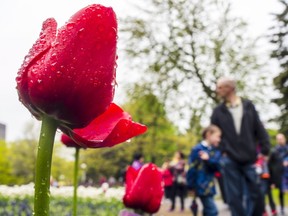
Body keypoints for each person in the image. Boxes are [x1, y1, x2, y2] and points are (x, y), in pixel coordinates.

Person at [211, 77, 270, 216]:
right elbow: (214, 134)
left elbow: (259, 128)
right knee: (234, 197)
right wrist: (221, 151)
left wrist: (265, 149)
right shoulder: (218, 111)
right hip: (229, 158)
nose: (217, 90)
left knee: (256, 193)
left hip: (250, 157)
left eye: (220, 87)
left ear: (230, 87)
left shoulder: (248, 106)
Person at [186, 125, 222, 216]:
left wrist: (208, 159)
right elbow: (191, 168)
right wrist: (190, 185)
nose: (219, 140)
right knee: (213, 211)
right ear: (209, 135)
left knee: (207, 211)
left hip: (211, 186)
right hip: (200, 185)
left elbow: (218, 166)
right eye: (217, 137)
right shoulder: (197, 149)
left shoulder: (215, 150)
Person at [268, 133, 288, 215]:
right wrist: (272, 180)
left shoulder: (287, 149)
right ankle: (282, 209)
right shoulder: (274, 151)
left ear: (284, 139)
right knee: (281, 192)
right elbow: (270, 165)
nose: (280, 140)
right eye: (278, 139)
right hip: (280, 175)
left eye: (281, 138)